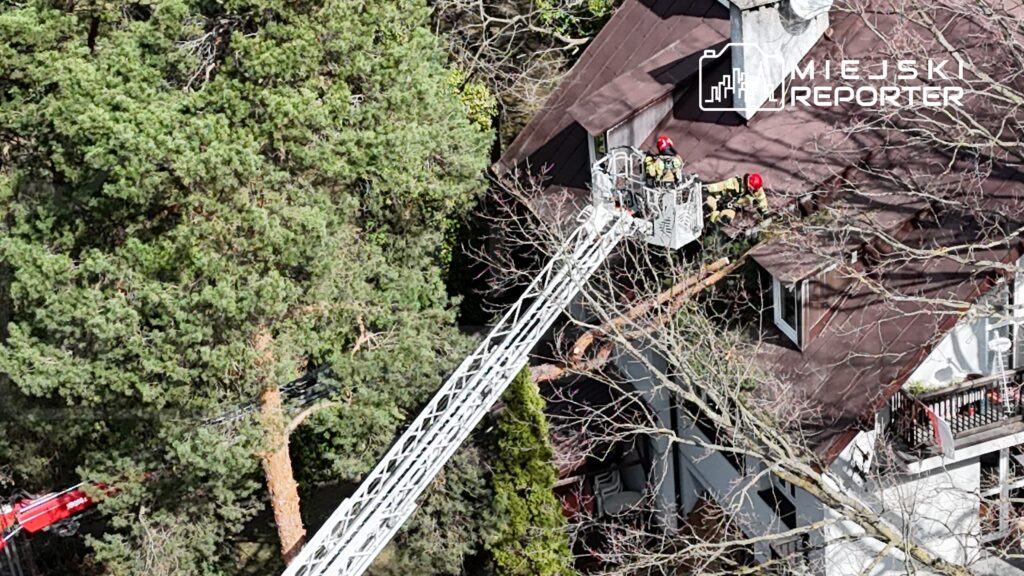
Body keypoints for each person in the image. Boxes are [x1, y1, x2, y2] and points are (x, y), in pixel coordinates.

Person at [703, 172, 767, 224]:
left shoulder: (757, 189)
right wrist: (708, 188)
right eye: (751, 189)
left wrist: (764, 211)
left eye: (754, 190)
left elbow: (762, 199)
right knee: (709, 207)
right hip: (718, 199)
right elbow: (721, 185)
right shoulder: (736, 182)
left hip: (731, 206)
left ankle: (711, 229)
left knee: (725, 218)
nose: (753, 191)